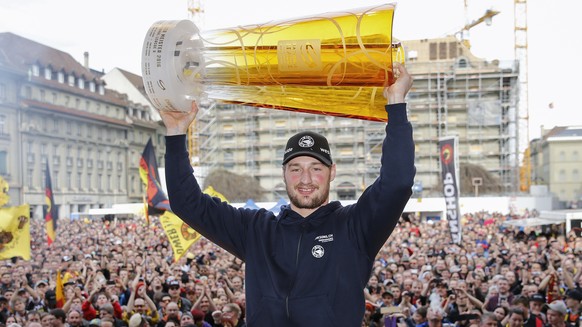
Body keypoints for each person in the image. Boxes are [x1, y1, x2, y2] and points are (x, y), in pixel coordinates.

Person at [160, 62, 415, 326]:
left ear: (332, 172)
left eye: (316, 168)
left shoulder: (355, 227)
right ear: (283, 173)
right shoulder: (256, 230)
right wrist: (176, 133)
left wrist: (396, 104)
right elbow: (187, 203)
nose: (305, 179)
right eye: (296, 169)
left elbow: (397, 182)